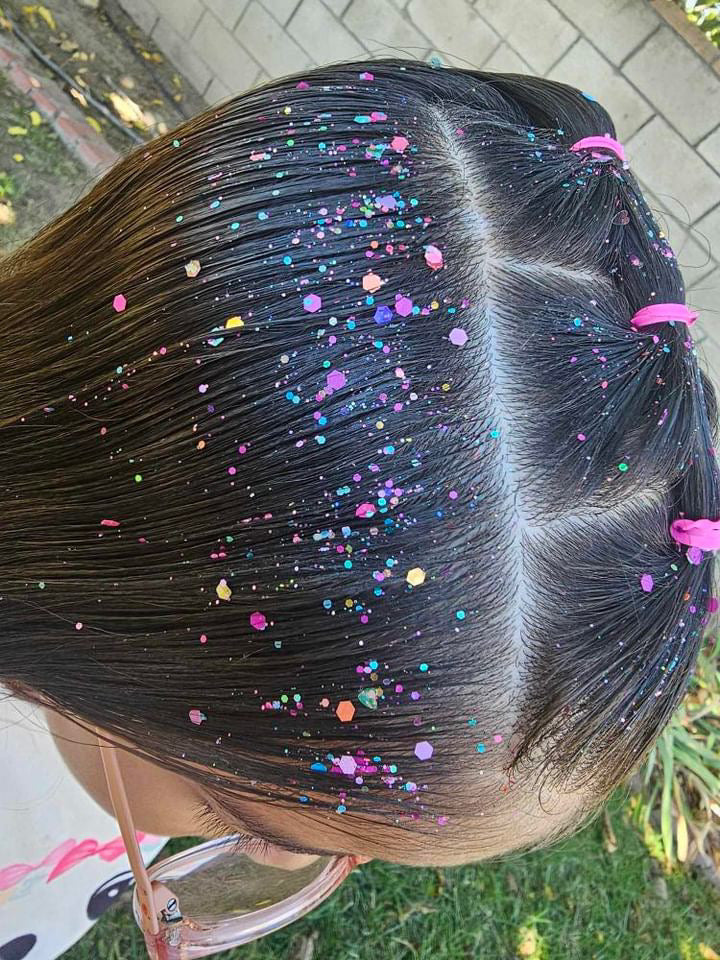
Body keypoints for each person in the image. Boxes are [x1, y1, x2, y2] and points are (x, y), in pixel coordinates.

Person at [1, 57, 718, 958]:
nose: (278, 850)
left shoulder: (102, 726)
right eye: (256, 825)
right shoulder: (92, 732)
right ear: (106, 591)